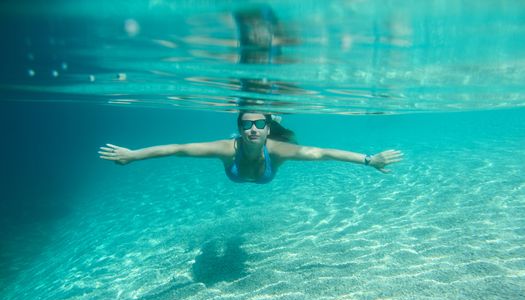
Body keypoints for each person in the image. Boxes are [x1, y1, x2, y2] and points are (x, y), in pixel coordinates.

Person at [98, 111, 403, 184]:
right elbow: (178, 148)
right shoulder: (225, 148)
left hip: (273, 153)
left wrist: (369, 160)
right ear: (239, 129)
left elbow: (323, 153)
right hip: (243, 163)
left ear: (267, 128)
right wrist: (134, 155)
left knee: (292, 142)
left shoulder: (278, 150)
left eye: (260, 124)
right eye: (247, 124)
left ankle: (279, 118)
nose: (253, 129)